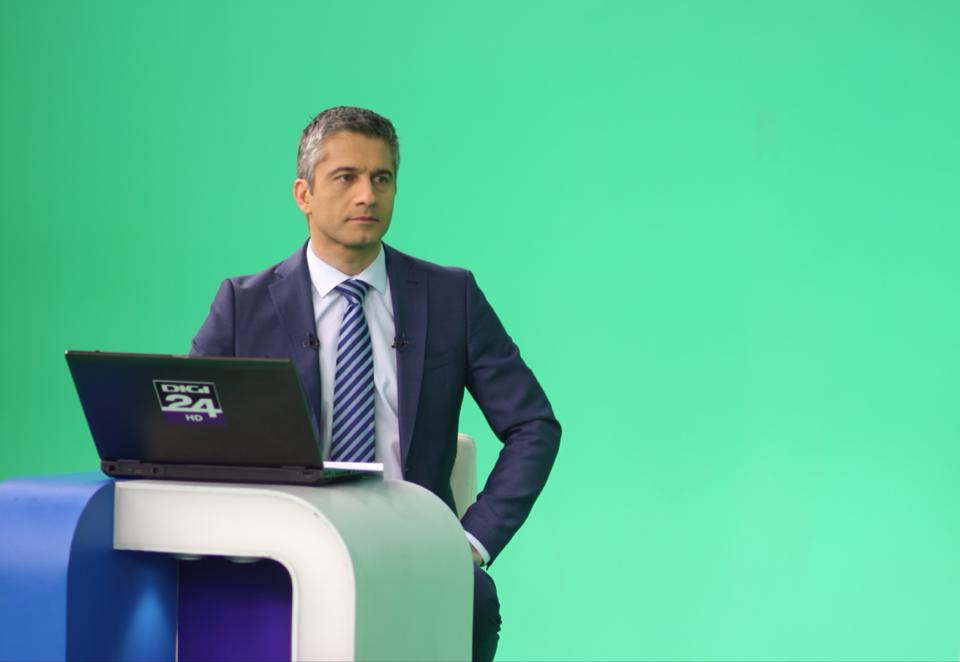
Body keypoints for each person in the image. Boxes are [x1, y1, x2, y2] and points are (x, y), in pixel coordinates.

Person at [191, 106, 560, 661]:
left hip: (410, 547)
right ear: (303, 194)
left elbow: (534, 425)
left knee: (474, 598)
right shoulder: (243, 305)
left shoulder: (451, 297)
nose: (367, 195)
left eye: (381, 178)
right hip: (280, 547)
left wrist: (470, 541)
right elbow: (188, 432)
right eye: (346, 177)